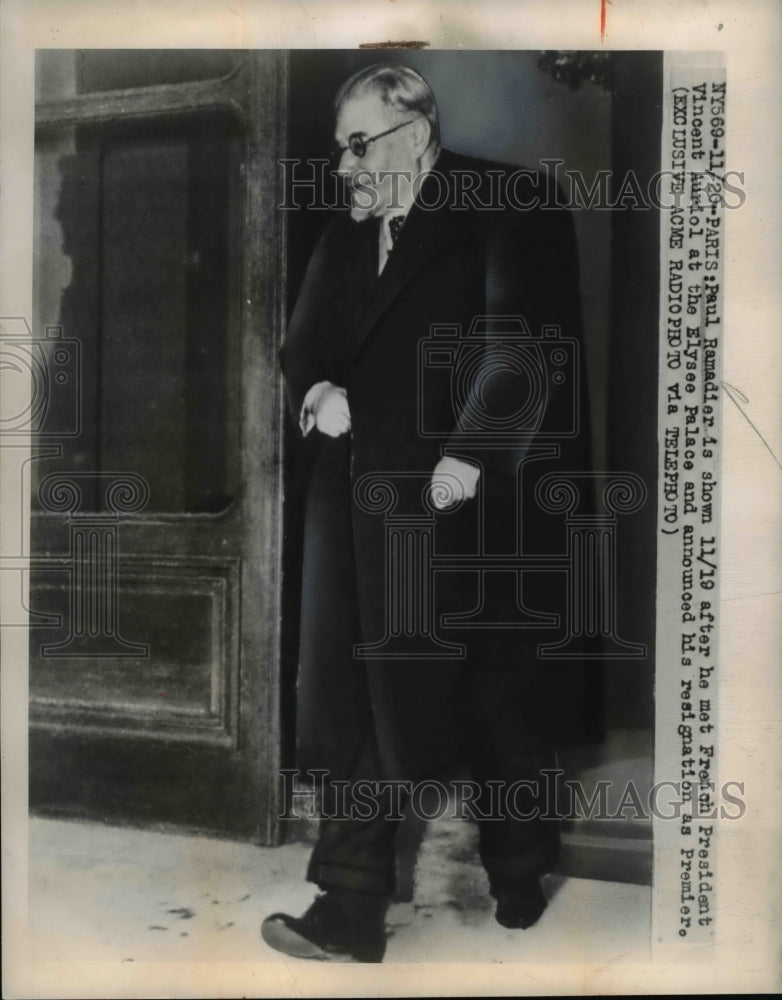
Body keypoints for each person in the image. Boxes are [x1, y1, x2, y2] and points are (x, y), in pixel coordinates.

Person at [262, 63, 596, 963]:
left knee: (493, 698)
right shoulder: (346, 230)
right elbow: (302, 348)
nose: (344, 166)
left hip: (466, 503)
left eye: (358, 145)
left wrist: (465, 462)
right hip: (360, 504)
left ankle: (520, 870)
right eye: (338, 150)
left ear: (413, 132)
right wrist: (321, 388)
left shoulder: (503, 202)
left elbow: (520, 352)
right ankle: (350, 903)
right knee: (351, 702)